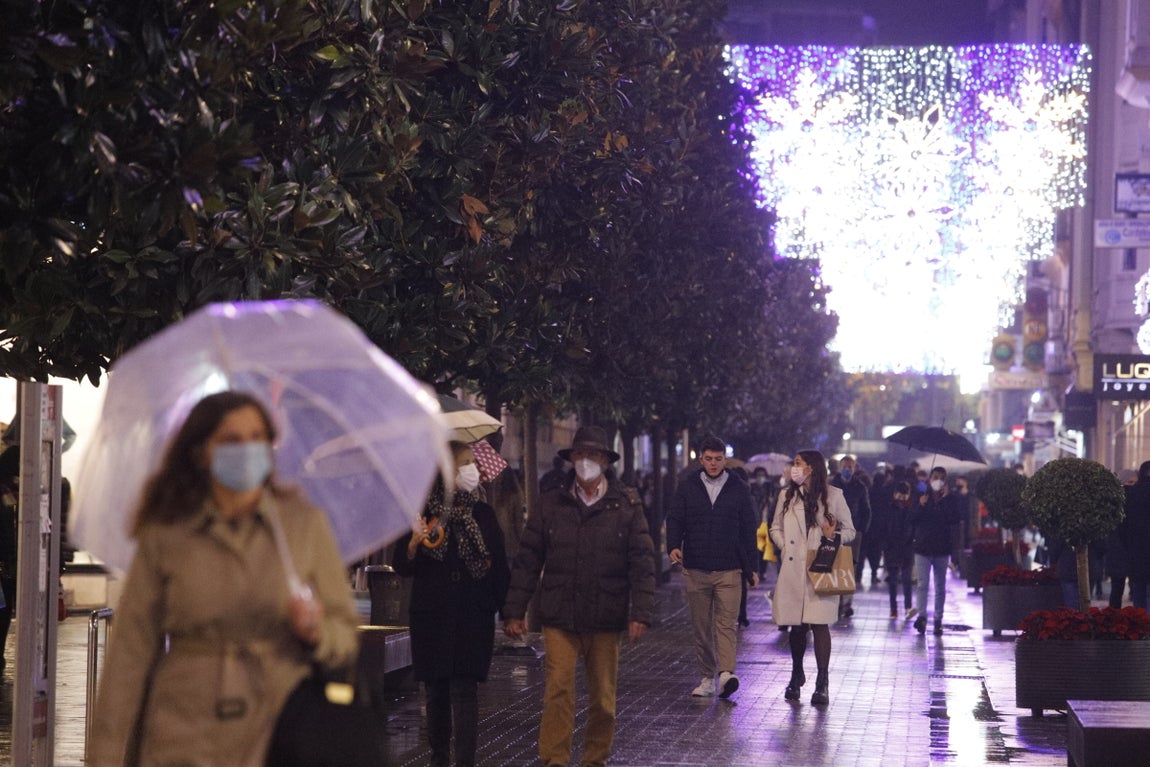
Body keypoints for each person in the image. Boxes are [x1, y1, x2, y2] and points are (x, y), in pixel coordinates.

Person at [87, 391, 367, 767]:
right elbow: (130, 652)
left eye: (257, 438)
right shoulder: (168, 533)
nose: (247, 449)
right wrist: (104, 754)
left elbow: (345, 636)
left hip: (279, 728)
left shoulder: (302, 525)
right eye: (231, 440)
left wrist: (317, 630)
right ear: (202, 451)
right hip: (183, 730)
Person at [502, 426, 655, 767]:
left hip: (606, 614)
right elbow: (528, 559)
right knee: (558, 691)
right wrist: (514, 611)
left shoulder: (625, 505)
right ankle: (554, 760)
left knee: (603, 698)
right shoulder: (551, 504)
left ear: (604, 460)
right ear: (571, 460)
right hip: (560, 613)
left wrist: (640, 612)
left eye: (593, 456)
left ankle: (594, 760)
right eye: (580, 456)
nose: (585, 462)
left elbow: (642, 563)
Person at [392, 441, 510, 767]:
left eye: (473, 462)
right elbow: (401, 564)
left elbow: (499, 565)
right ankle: (439, 758)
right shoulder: (423, 513)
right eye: (465, 463)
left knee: (465, 690)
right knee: (437, 692)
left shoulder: (482, 514)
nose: (473, 470)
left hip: (472, 616)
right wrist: (414, 544)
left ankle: (465, 761)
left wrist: (509, 611)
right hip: (433, 615)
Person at [666, 436, 759, 698]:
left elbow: (747, 529)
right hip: (696, 567)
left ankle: (726, 673)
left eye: (718, 459)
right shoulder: (688, 486)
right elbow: (675, 518)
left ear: (724, 460)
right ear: (701, 459)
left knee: (726, 624)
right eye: (709, 458)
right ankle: (707, 677)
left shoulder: (738, 488)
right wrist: (673, 544)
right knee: (701, 626)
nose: (714, 463)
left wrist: (751, 567)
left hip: (729, 568)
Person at [769, 449, 854, 706]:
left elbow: (850, 531)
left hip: (821, 566)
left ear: (812, 468)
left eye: (798, 464)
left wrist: (832, 535)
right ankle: (796, 675)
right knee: (796, 624)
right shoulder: (787, 495)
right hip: (794, 567)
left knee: (819, 625)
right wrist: (785, 546)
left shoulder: (834, 496)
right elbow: (775, 527)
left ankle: (822, 682)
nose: (794, 468)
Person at [909, 466, 963, 636]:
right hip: (923, 548)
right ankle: (922, 617)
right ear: (929, 479)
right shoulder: (921, 496)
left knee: (940, 587)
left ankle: (938, 619)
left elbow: (954, 519)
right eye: (935, 476)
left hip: (941, 548)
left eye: (941, 477)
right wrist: (921, 505)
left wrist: (945, 500)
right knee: (922, 584)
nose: (937, 480)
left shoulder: (950, 498)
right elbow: (912, 518)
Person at [829, 455, 870, 619]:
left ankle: (846, 604)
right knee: (834, 567)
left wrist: (861, 529)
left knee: (849, 569)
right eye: (844, 467)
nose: (847, 470)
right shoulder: (832, 485)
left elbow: (866, 510)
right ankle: (835, 602)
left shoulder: (860, 487)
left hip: (853, 533)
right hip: (833, 532)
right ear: (840, 468)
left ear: (854, 469)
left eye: (850, 467)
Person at [884, 476, 915, 620]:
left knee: (907, 579)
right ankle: (893, 608)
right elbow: (885, 528)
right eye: (899, 494)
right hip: (892, 548)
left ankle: (908, 607)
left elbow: (913, 527)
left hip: (907, 549)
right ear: (894, 494)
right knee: (893, 580)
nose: (902, 498)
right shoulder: (889, 508)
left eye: (905, 494)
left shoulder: (912, 508)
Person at [1121, 460, 1150, 609]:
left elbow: (1123, 525)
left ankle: (1141, 624)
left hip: (1136, 551)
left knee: (1138, 590)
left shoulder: (1132, 494)